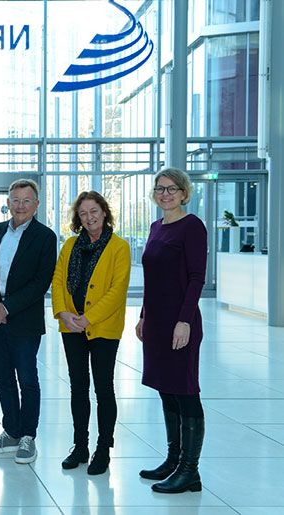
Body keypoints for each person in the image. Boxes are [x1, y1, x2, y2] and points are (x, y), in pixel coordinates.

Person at [0, 178, 56, 465]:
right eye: (15, 200)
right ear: (7, 203)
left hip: (24, 320)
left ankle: (28, 436)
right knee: (3, 378)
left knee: (28, 379)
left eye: (26, 200)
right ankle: (11, 431)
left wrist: (7, 307)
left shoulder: (45, 237)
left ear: (36, 204)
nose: (20, 206)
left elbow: (40, 282)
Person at [136, 168, 207, 494]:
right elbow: (152, 279)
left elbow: (196, 278)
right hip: (156, 322)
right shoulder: (155, 227)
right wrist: (143, 315)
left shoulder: (192, 226)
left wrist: (185, 321)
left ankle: (189, 471)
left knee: (185, 390)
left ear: (183, 193)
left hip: (180, 321)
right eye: (160, 188)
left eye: (172, 189)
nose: (165, 194)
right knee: (166, 388)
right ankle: (173, 460)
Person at [51, 191, 131, 475]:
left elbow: (117, 290)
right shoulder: (70, 244)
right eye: (83, 213)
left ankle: (103, 448)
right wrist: (63, 313)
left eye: (94, 211)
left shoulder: (119, 247)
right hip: (70, 326)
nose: (89, 218)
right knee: (78, 387)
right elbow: (58, 280)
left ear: (105, 212)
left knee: (103, 388)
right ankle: (80, 446)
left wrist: (87, 319)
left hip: (102, 329)